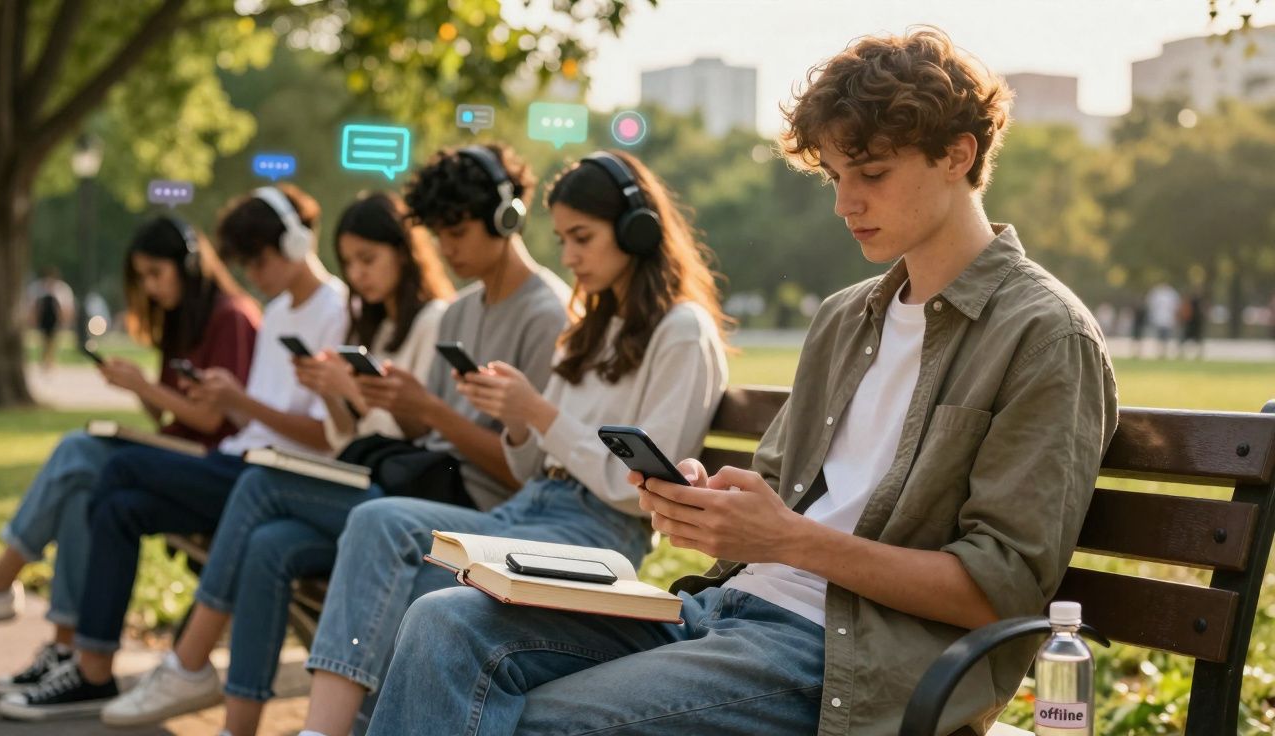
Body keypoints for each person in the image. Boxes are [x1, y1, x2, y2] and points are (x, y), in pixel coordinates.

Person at [368, 28, 1118, 736]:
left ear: (958, 154)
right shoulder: (846, 318)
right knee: (446, 624)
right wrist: (704, 500)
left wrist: (791, 542)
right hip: (726, 609)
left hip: (843, 657)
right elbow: (772, 497)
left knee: (538, 720)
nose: (843, 202)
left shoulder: (1044, 335)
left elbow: (1001, 589)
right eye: (835, 174)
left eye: (873, 173)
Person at [95, 146, 571, 734]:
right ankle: (236, 724)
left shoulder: (543, 314)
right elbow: (425, 435)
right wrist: (376, 401)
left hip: (469, 510)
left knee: (261, 483)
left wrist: (422, 412)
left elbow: (520, 472)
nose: (448, 249)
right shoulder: (462, 312)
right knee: (270, 544)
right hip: (420, 483)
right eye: (439, 235)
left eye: (458, 232)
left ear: (507, 217)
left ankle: (189, 665)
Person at [292, 149, 730, 736]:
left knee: (418, 592)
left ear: (637, 229)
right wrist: (520, 423)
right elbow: (531, 469)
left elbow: (639, 491)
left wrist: (542, 414)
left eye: (583, 238)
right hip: (526, 511)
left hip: (593, 532)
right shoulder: (594, 326)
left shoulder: (681, 330)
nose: (570, 257)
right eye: (563, 240)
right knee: (376, 521)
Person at [0, 185, 350, 721]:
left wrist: (235, 400)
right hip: (237, 460)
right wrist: (227, 399)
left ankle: (89, 646)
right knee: (117, 506)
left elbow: (328, 436)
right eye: (245, 262)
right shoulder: (278, 312)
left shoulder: (335, 310)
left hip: (272, 477)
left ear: (297, 242)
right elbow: (241, 418)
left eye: (259, 258)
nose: (254, 273)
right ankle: (92, 668)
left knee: (113, 466)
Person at [0, 216, 260, 690]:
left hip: (214, 467)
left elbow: (214, 420)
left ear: (187, 266)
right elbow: (173, 416)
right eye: (141, 277)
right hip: (176, 452)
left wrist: (144, 385)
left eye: (155, 274)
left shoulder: (233, 317)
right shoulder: (183, 321)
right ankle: (68, 650)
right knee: (85, 486)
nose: (150, 287)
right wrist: (137, 390)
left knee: (79, 449)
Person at [28, 266, 74, 371]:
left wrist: (65, 320)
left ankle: (50, 360)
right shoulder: (38, 290)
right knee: (44, 340)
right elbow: (35, 307)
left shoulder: (61, 290)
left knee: (53, 341)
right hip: (44, 320)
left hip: (54, 320)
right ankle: (46, 360)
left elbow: (64, 308)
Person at [1146, 281, 1180, 359]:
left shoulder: (1171, 294)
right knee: (1159, 336)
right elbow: (1151, 305)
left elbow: (1176, 307)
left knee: (1165, 337)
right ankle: (1159, 352)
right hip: (1159, 319)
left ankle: (1164, 352)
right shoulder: (1156, 293)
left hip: (1168, 319)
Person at [1178, 288, 1207, 360]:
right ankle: (1197, 354)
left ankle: (1197, 354)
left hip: (1193, 323)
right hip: (1191, 323)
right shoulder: (1197, 302)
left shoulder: (1196, 302)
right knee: (1190, 339)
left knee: (1190, 339)